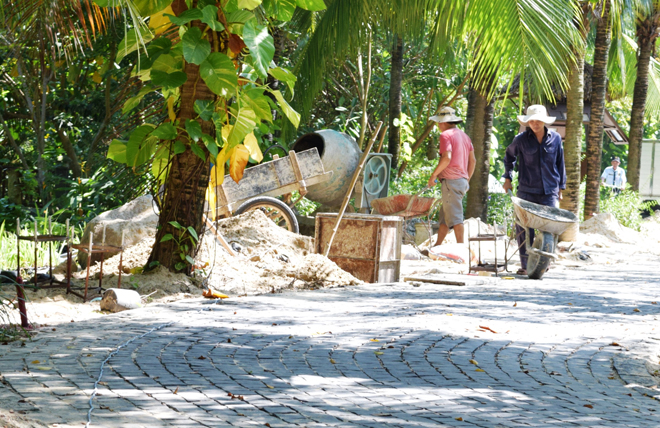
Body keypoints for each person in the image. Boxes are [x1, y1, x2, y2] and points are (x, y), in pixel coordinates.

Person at [502, 105, 566, 276]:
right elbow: (509, 157)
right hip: (526, 189)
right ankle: (526, 264)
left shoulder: (556, 139)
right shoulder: (521, 139)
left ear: (544, 122)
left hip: (549, 190)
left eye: (538, 120)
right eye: (531, 121)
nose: (535, 123)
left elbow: (560, 163)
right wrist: (507, 178)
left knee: (549, 227)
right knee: (523, 227)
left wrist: (561, 187)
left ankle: (544, 261)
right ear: (527, 122)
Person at [427, 106, 476, 246]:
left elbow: (447, 158)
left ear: (442, 122)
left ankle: (461, 249)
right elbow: (473, 161)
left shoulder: (445, 135)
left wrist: (433, 175)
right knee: (445, 217)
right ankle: (437, 246)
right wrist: (467, 179)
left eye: (438, 122)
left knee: (456, 219)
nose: (437, 125)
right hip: (460, 182)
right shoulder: (465, 136)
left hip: (451, 182)